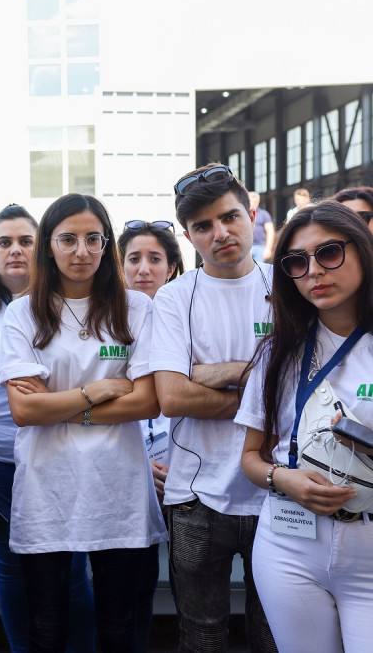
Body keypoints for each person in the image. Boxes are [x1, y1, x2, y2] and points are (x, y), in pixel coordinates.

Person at [0, 193, 166, 652]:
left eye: (94, 239)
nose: (81, 251)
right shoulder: (24, 312)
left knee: (117, 625)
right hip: (47, 484)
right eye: (68, 239)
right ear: (48, 246)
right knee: (47, 628)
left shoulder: (135, 308)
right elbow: (22, 410)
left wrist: (59, 405)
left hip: (118, 482)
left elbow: (148, 402)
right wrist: (98, 390)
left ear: (106, 244)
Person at [236, 201, 373, 653]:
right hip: (289, 544)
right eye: (297, 261)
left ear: (363, 251)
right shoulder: (279, 352)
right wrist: (283, 478)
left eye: (329, 253)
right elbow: (251, 460)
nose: (314, 270)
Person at [150, 163, 277, 652]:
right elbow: (173, 397)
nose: (220, 233)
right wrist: (258, 378)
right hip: (196, 496)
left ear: (251, 214)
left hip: (276, 492)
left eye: (229, 217)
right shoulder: (174, 298)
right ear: (189, 235)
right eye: (204, 226)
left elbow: (295, 393)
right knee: (201, 638)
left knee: (274, 635)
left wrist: (214, 371)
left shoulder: (288, 288)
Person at [0, 204, 94, 653]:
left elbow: (67, 387)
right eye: (3, 242)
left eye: (26, 240)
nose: (16, 250)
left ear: (42, 249)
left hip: (62, 454)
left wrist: (44, 399)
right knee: (9, 569)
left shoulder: (71, 310)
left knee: (71, 572)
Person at [117, 218, 184, 650]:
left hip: (184, 476)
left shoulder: (188, 317)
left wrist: (174, 470)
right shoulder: (108, 322)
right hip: (127, 473)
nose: (144, 268)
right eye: (133, 258)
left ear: (173, 268)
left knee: (192, 599)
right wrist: (143, 467)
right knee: (129, 594)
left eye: (155, 259)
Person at [249, 192, 275, 262]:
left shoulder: (264, 214)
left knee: (258, 270)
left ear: (258, 202)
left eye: (255, 202)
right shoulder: (242, 214)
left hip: (260, 247)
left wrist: (268, 248)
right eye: (251, 201)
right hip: (246, 247)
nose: (253, 204)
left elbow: (270, 232)